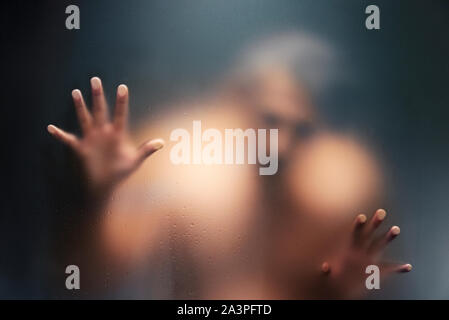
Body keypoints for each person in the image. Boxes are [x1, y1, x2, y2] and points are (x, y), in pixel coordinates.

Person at [48, 33, 411, 299]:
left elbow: (377, 278)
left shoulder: (341, 189)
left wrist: (342, 289)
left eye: (298, 128)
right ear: (233, 109)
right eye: (269, 120)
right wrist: (103, 193)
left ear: (321, 128)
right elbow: (97, 273)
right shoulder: (183, 169)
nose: (279, 143)